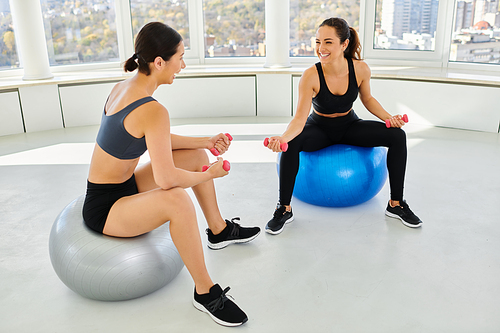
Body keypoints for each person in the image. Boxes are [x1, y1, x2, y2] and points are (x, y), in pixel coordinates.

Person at [82, 22, 260, 327]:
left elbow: (156, 138)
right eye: (180, 57)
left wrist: (204, 142)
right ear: (159, 62)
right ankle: (205, 292)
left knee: (196, 156)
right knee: (177, 199)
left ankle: (218, 230)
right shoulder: (152, 109)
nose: (183, 64)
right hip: (105, 207)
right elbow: (166, 180)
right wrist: (210, 175)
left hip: (123, 185)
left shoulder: (125, 88)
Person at [264, 17, 422, 235]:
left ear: (344, 44)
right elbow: (299, 120)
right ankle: (284, 208)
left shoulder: (360, 69)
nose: (321, 48)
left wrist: (389, 119)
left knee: (397, 136)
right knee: (291, 144)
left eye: (328, 42)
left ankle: (396, 204)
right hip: (319, 128)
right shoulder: (311, 75)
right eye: (318, 42)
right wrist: (282, 138)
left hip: (349, 125)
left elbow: (367, 99)